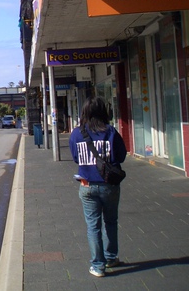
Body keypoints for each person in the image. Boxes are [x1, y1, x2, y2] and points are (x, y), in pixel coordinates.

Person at [69, 96, 127, 278]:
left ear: (84, 112)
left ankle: (97, 265)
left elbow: (76, 158)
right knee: (111, 222)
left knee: (93, 226)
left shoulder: (77, 134)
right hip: (109, 185)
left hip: (87, 186)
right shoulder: (110, 132)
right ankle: (111, 257)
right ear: (103, 112)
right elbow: (122, 156)